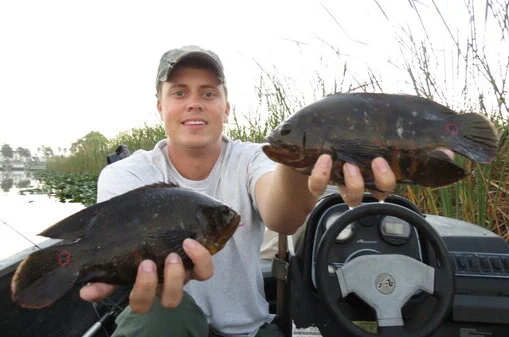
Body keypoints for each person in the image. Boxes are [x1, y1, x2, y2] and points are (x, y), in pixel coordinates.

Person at [79, 45, 397, 337]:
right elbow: (114, 248)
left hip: (248, 330)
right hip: (165, 322)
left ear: (226, 108)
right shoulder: (126, 175)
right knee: (164, 316)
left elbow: (282, 217)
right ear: (160, 107)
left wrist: (299, 151)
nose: (194, 103)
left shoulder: (252, 158)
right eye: (179, 93)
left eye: (208, 93)